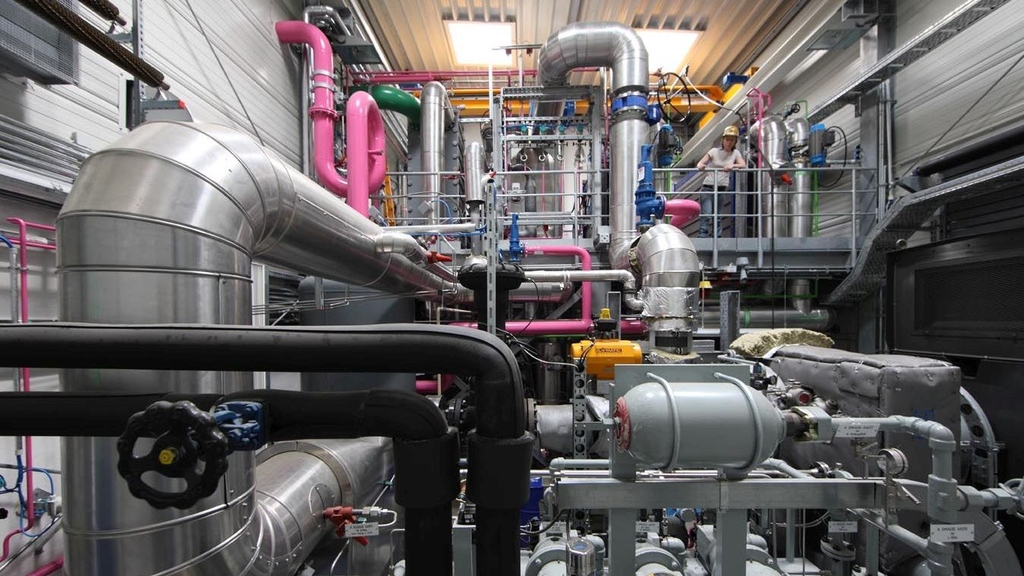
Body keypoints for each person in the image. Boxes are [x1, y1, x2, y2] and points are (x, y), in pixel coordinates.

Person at [695, 125, 745, 238]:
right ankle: (703, 236)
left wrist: (732, 165)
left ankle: (717, 237)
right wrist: (702, 166)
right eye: (727, 139)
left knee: (717, 215)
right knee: (707, 214)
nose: (729, 142)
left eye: (732, 140)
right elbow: (700, 163)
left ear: (735, 141)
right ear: (723, 140)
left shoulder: (735, 153)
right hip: (708, 187)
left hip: (722, 188)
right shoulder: (713, 151)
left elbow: (743, 165)